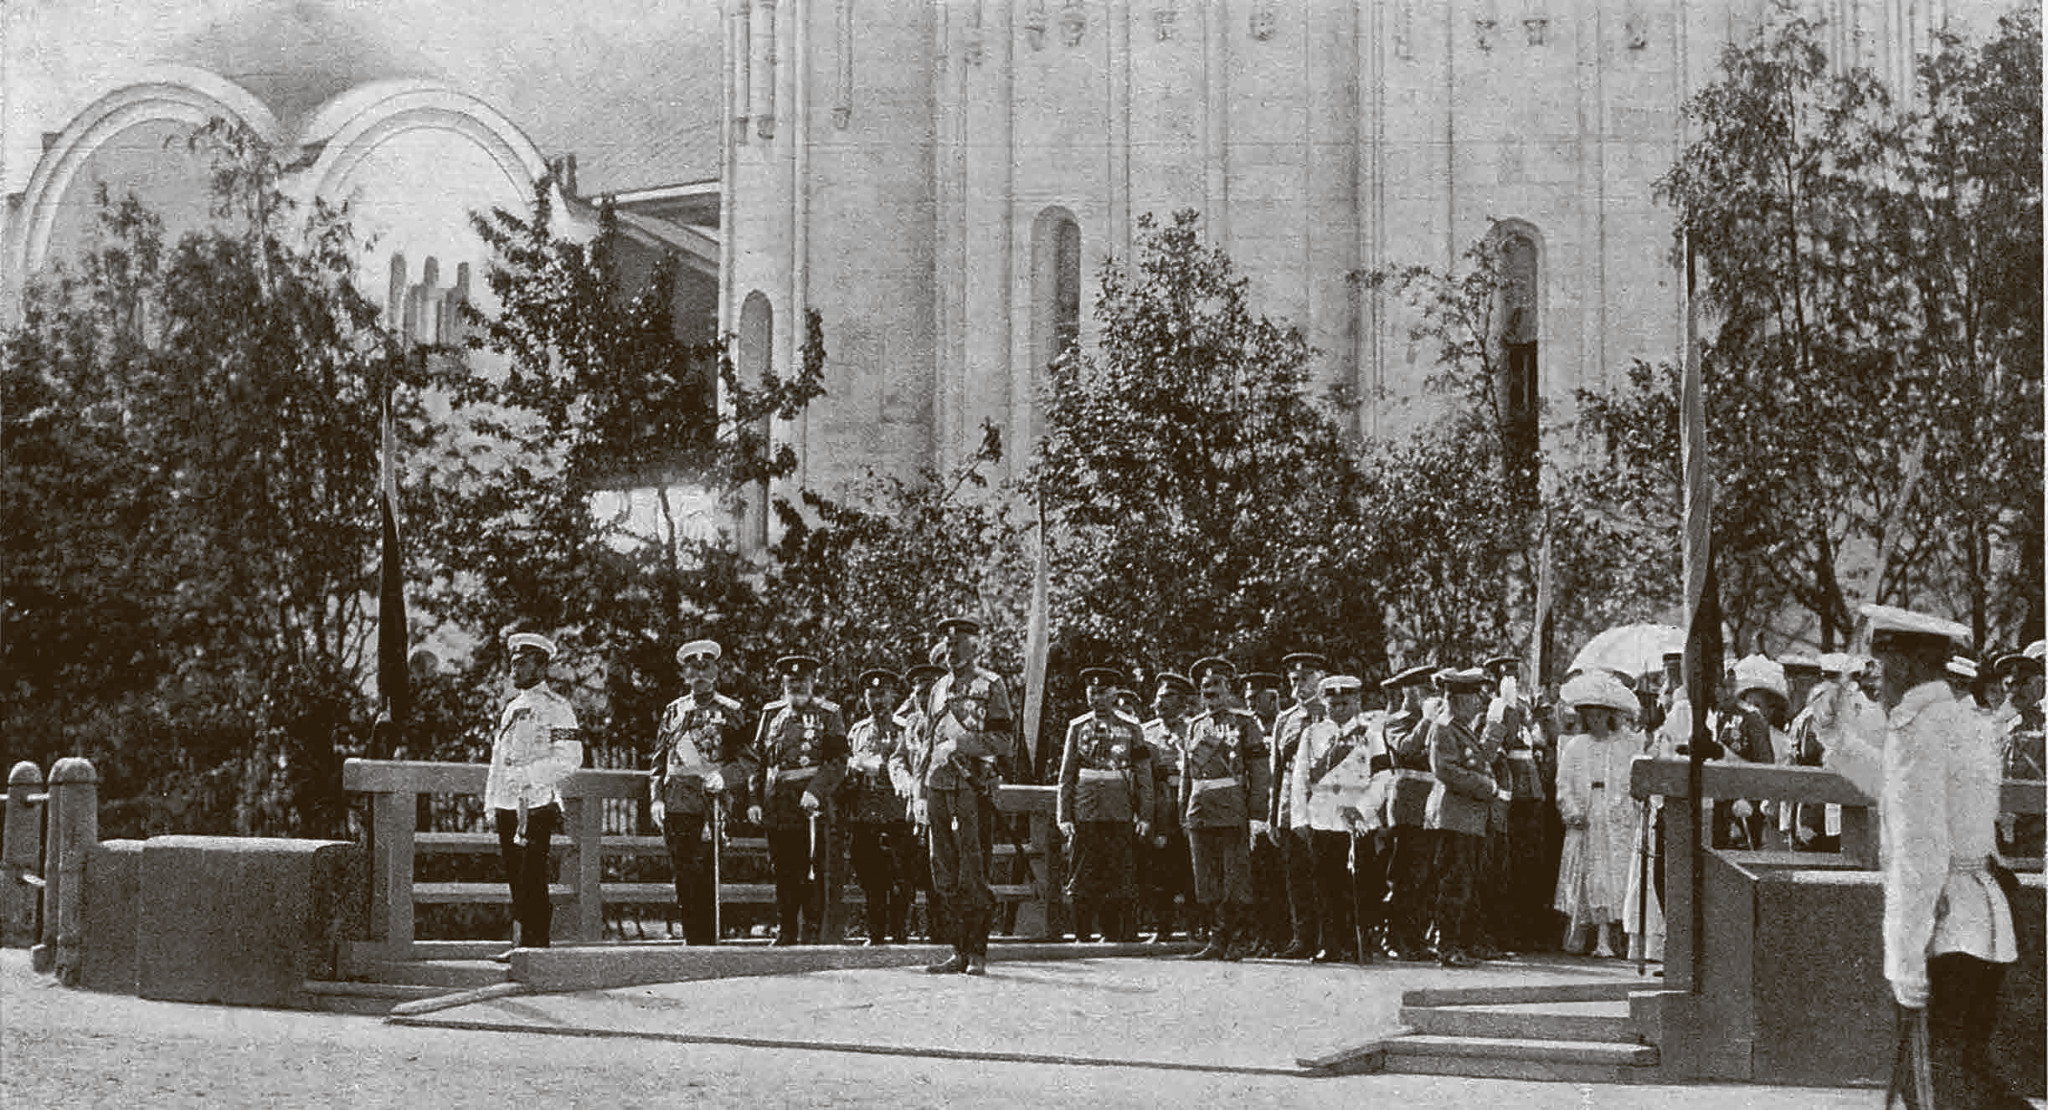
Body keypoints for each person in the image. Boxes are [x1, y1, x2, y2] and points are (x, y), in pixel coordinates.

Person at [1861, 604, 2028, 1110]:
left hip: (1943, 926)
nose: (1873, 677)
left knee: (1934, 1087)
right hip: (1983, 918)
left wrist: (1907, 959)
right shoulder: (1965, 721)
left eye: (1880, 664)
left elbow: (1920, 850)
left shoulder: (1915, 730)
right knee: (1968, 1072)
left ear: (1907, 664)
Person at [917, 615, 1013, 976]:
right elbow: (927, 743)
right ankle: (957, 950)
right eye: (948, 645)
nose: (951, 651)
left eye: (957, 645)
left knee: (973, 871)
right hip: (938, 787)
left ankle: (977, 952)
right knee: (943, 871)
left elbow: (1003, 740)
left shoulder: (991, 685)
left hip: (973, 788)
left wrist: (960, 744)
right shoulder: (938, 688)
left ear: (975, 648)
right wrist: (919, 792)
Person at [484, 632, 584, 959]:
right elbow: (498, 759)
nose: (515, 670)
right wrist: (491, 801)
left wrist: (529, 776)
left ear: (541, 667)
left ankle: (536, 948)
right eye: (513, 663)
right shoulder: (512, 708)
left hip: (536, 801)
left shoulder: (557, 708)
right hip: (507, 803)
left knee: (532, 876)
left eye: (522, 664)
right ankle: (522, 945)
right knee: (516, 877)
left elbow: (570, 758)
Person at [650, 639, 754, 946]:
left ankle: (707, 944)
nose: (699, 675)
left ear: (716, 672)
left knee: (706, 873)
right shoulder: (674, 710)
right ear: (685, 675)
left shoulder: (731, 711)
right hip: (676, 802)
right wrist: (656, 798)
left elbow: (749, 759)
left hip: (711, 804)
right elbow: (659, 760)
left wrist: (724, 777)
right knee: (682, 873)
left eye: (705, 668)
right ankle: (690, 940)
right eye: (693, 669)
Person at [747, 654, 848, 946]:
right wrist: (754, 799)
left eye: (802, 680)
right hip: (778, 803)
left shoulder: (828, 714)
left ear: (812, 682)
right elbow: (757, 761)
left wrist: (815, 791)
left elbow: (838, 760)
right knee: (783, 869)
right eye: (791, 681)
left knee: (814, 868)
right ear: (783, 683)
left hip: (813, 804)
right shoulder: (771, 714)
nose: (797, 686)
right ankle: (786, 930)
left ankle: (814, 932)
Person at [1178, 657, 1271, 961]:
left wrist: (1257, 814)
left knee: (1235, 879)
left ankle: (1238, 939)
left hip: (1232, 809)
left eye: (1217, 685)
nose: (1210, 691)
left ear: (1229, 689)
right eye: (1205, 686)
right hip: (1200, 810)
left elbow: (1260, 772)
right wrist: (1184, 811)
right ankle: (1216, 939)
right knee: (1206, 879)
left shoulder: (1244, 723)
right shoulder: (1194, 726)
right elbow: (1187, 775)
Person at [1057, 667, 1154, 943]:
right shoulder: (1078, 727)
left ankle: (1117, 932)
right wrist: (1064, 815)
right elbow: (1067, 775)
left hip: (1119, 808)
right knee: (1082, 870)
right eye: (1092, 693)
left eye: (1102, 692)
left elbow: (1143, 775)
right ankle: (1082, 932)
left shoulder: (1131, 727)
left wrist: (1145, 814)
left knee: (1119, 869)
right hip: (1085, 808)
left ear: (1114, 695)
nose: (1096, 698)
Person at [1553, 670, 1642, 959]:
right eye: (1590, 716)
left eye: (1600, 716)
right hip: (1587, 810)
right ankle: (1583, 934)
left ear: (1610, 716)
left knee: (1613, 873)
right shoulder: (1576, 746)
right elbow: (1563, 783)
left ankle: (1610, 937)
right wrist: (1571, 810)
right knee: (1588, 872)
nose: (1595, 722)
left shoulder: (1624, 745)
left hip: (1615, 812)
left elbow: (1634, 777)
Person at [1292, 673, 1377, 964]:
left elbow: (1383, 776)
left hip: (1357, 817)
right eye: (1333, 704)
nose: (1339, 709)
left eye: (1345, 703)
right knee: (1325, 884)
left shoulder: (1370, 733)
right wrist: (1299, 817)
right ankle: (1329, 943)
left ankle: (1358, 943)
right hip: (1323, 815)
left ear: (1356, 702)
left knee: (1360, 884)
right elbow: (1300, 776)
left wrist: (1367, 810)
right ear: (1325, 705)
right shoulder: (1312, 734)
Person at [1422, 667, 1501, 968]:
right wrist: (1487, 786)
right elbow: (1446, 770)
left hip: (1467, 818)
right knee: (1454, 883)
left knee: (1464, 881)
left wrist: (1495, 727)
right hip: (1454, 816)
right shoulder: (1444, 727)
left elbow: (1480, 760)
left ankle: (1459, 943)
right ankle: (1446, 945)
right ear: (1459, 699)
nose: (1479, 703)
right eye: (1474, 698)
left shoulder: (1459, 727)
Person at [844, 668, 916, 944]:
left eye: (882, 695)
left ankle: (899, 933)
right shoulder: (858, 731)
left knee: (901, 878)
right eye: (872, 695)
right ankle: (875, 934)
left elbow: (912, 768)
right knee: (870, 877)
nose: (877, 702)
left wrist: (878, 769)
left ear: (892, 696)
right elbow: (848, 767)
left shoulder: (904, 729)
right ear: (865, 698)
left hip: (897, 815)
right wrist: (853, 769)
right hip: (865, 815)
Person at [1268, 652, 1328, 960]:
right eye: (1294, 680)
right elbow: (1276, 769)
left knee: (1325, 873)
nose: (1299, 685)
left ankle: (1329, 938)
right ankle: (1302, 938)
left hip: (1325, 802)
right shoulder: (1285, 719)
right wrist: (1272, 816)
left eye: (1305, 678)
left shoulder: (1332, 713)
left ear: (1321, 678)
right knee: (1297, 876)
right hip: (1291, 804)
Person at [1377, 663, 1439, 961]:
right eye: (1423, 690)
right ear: (1408, 692)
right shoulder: (1396, 721)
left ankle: (1416, 937)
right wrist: (1426, 721)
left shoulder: (1435, 721)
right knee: (1403, 876)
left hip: (1431, 806)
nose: (1429, 696)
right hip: (1407, 805)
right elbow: (1406, 748)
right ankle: (1394, 936)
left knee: (1425, 876)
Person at [1140, 671, 1197, 944]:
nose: (1161, 702)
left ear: (1183, 703)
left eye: (1169, 697)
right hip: (1159, 810)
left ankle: (1196, 927)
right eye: (1159, 697)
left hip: (1189, 808)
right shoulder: (1146, 732)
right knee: (1159, 869)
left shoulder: (1195, 729)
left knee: (1192, 868)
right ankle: (1161, 927)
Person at [1241, 671, 1288, 955]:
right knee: (1259, 878)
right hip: (1255, 813)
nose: (1250, 705)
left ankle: (1283, 937)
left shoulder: (1285, 725)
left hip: (1282, 810)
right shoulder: (1245, 728)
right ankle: (1263, 937)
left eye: (1256, 699)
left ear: (1273, 698)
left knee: (1283, 878)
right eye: (1248, 699)